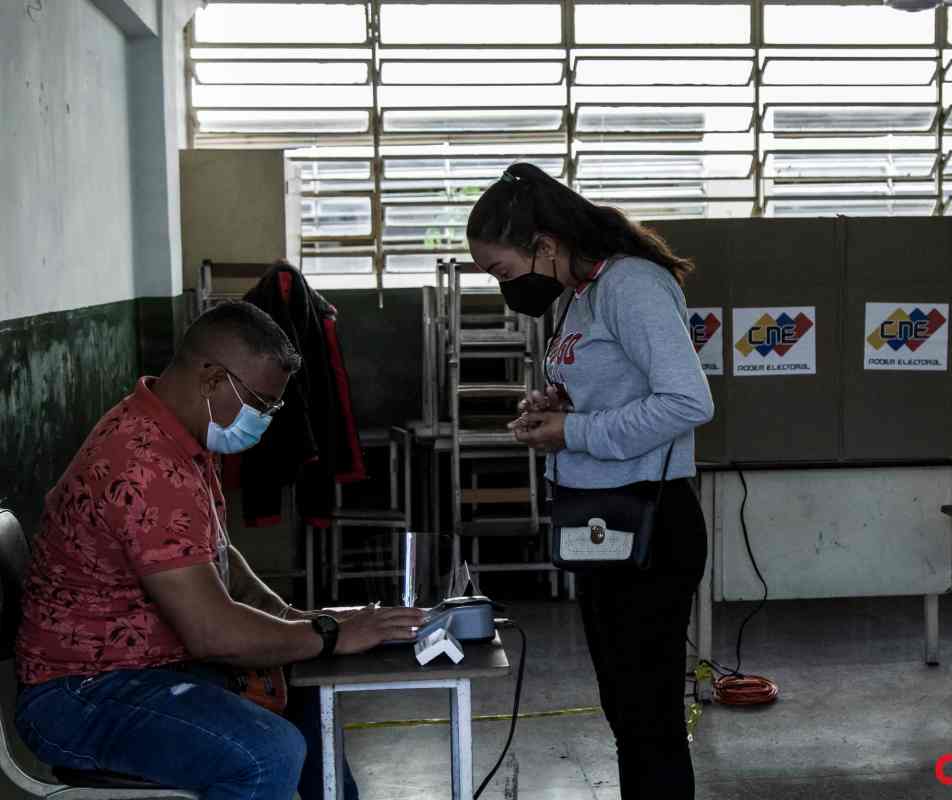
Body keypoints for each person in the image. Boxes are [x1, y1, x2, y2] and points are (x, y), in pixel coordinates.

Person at [15, 301, 425, 800]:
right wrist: (327, 634)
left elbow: (221, 561)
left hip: (144, 668)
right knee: (266, 753)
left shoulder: (179, 438)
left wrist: (295, 618)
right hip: (83, 693)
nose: (266, 418)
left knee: (308, 691)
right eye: (260, 402)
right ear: (211, 379)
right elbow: (212, 633)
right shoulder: (142, 465)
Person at [467, 163, 714, 799]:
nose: (504, 287)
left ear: (543, 246)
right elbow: (606, 392)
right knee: (627, 712)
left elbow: (687, 402)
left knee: (648, 717)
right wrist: (554, 406)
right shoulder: (583, 293)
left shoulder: (630, 285)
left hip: (649, 523)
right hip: (601, 520)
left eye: (501, 270)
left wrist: (572, 432)